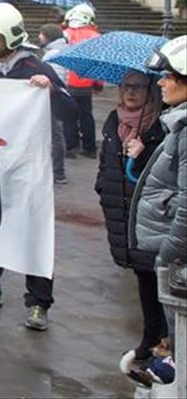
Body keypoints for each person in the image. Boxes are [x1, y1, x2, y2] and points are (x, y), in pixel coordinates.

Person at [0, 3, 76, 331]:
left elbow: (70, 112)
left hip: (30, 165)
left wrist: (49, 91)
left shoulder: (35, 69)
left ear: (10, 36)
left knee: (33, 232)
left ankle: (39, 303)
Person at [96, 70, 167, 383]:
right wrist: (103, 187)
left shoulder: (164, 124)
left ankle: (165, 344)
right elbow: (106, 160)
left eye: (139, 87)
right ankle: (153, 338)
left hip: (151, 216)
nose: (131, 93)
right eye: (126, 87)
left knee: (158, 277)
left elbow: (165, 176)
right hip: (122, 212)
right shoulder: (114, 119)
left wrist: (144, 153)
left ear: (151, 91)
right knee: (143, 276)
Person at [129, 36, 187, 388]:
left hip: (174, 256)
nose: (161, 82)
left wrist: (168, 256)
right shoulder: (176, 122)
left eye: (168, 75)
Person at [62, 4, 102, 157]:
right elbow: (98, 62)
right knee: (87, 115)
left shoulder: (65, 34)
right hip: (86, 82)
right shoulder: (95, 36)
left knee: (69, 116)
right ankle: (90, 148)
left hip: (68, 81)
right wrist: (98, 83)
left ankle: (71, 147)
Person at [38, 23, 71, 184]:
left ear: (48, 36)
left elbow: (55, 78)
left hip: (52, 99)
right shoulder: (57, 50)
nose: (39, 37)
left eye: (41, 34)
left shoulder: (54, 54)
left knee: (55, 135)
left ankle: (58, 172)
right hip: (54, 97)